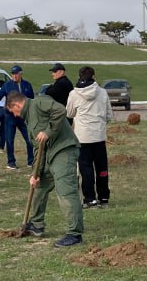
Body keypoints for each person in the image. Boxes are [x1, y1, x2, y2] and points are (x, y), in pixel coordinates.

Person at [6, 92, 83, 246]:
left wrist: (48, 131)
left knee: (66, 190)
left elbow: (60, 110)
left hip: (63, 150)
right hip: (49, 155)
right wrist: (36, 173)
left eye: (13, 112)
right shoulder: (29, 120)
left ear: (17, 105)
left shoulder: (38, 102)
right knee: (39, 186)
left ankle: (74, 234)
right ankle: (37, 225)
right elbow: (38, 149)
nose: (15, 115)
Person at [67, 65, 113, 207]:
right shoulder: (102, 92)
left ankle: (90, 198)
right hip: (99, 136)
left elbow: (69, 113)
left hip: (82, 137)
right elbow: (109, 115)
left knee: (86, 169)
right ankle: (103, 197)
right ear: (94, 77)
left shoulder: (74, 94)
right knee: (102, 168)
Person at [0, 65, 35, 170]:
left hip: (23, 117)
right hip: (10, 116)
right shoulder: (7, 85)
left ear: (20, 74)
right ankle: (11, 162)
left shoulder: (27, 85)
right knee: (9, 140)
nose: (14, 76)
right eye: (12, 74)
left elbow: (31, 99)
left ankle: (31, 161)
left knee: (29, 139)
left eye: (16, 74)